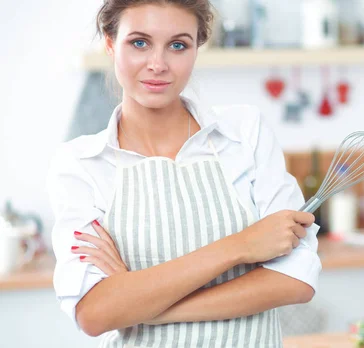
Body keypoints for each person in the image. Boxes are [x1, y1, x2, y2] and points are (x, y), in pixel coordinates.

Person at [46, 1, 321, 347]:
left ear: (196, 48)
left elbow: (296, 280)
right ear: (111, 42)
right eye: (139, 42)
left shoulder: (243, 134)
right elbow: (94, 313)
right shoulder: (82, 163)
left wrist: (140, 303)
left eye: (178, 45)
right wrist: (241, 247)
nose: (158, 64)